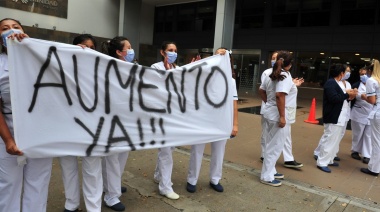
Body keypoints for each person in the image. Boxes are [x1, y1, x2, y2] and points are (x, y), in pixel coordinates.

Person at [0, 18, 53, 212]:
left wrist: (32, 48)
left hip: (40, 129)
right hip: (7, 128)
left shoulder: (41, 59)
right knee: (8, 184)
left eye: (15, 27)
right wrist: (8, 140)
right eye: (4, 29)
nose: (11, 31)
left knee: (38, 183)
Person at [59, 34, 103, 212]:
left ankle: (94, 207)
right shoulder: (61, 66)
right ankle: (71, 203)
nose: (88, 50)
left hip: (91, 126)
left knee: (92, 168)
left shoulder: (100, 69)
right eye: (83, 46)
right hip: (65, 124)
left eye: (92, 48)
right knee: (68, 166)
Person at [186, 47, 238, 193]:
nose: (220, 58)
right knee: (197, 150)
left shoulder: (231, 81)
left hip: (222, 121)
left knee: (219, 152)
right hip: (202, 120)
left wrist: (235, 124)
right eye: (217, 56)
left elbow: (234, 103)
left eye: (223, 56)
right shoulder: (203, 76)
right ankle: (192, 179)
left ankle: (215, 179)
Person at [100, 36, 135, 211]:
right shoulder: (107, 67)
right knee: (111, 159)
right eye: (128, 47)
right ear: (119, 52)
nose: (131, 50)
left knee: (122, 155)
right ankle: (111, 195)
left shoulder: (133, 68)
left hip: (127, 121)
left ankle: (113, 183)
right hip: (111, 121)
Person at [260, 50, 301, 186]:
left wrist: (268, 104)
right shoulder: (284, 75)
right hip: (278, 116)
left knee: (271, 144)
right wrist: (282, 116)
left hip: (270, 113)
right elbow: (280, 95)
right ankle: (266, 176)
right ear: (289, 64)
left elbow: (261, 90)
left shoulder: (272, 74)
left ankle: (270, 171)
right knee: (275, 146)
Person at [151, 41, 181, 200]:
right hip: (161, 116)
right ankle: (165, 186)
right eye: (170, 50)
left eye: (175, 50)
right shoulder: (155, 67)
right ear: (163, 52)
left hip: (174, 115)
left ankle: (158, 175)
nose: (173, 53)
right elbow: (158, 88)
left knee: (169, 149)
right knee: (166, 152)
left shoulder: (178, 69)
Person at [315, 64, 357, 173]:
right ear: (341, 73)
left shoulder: (338, 83)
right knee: (329, 139)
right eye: (344, 72)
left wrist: (348, 95)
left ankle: (329, 159)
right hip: (333, 115)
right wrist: (346, 94)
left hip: (340, 116)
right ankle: (322, 162)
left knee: (335, 140)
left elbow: (341, 97)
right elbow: (334, 98)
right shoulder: (330, 83)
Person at [360, 59, 380, 176]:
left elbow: (372, 100)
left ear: (369, 70)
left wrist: (363, 96)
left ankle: (374, 169)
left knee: (376, 142)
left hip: (377, 113)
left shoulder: (372, 81)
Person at [350, 68, 372, 164]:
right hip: (359, 112)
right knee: (358, 133)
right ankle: (355, 151)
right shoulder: (356, 85)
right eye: (361, 74)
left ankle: (367, 155)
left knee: (368, 135)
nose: (363, 76)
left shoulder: (374, 84)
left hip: (371, 114)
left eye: (365, 74)